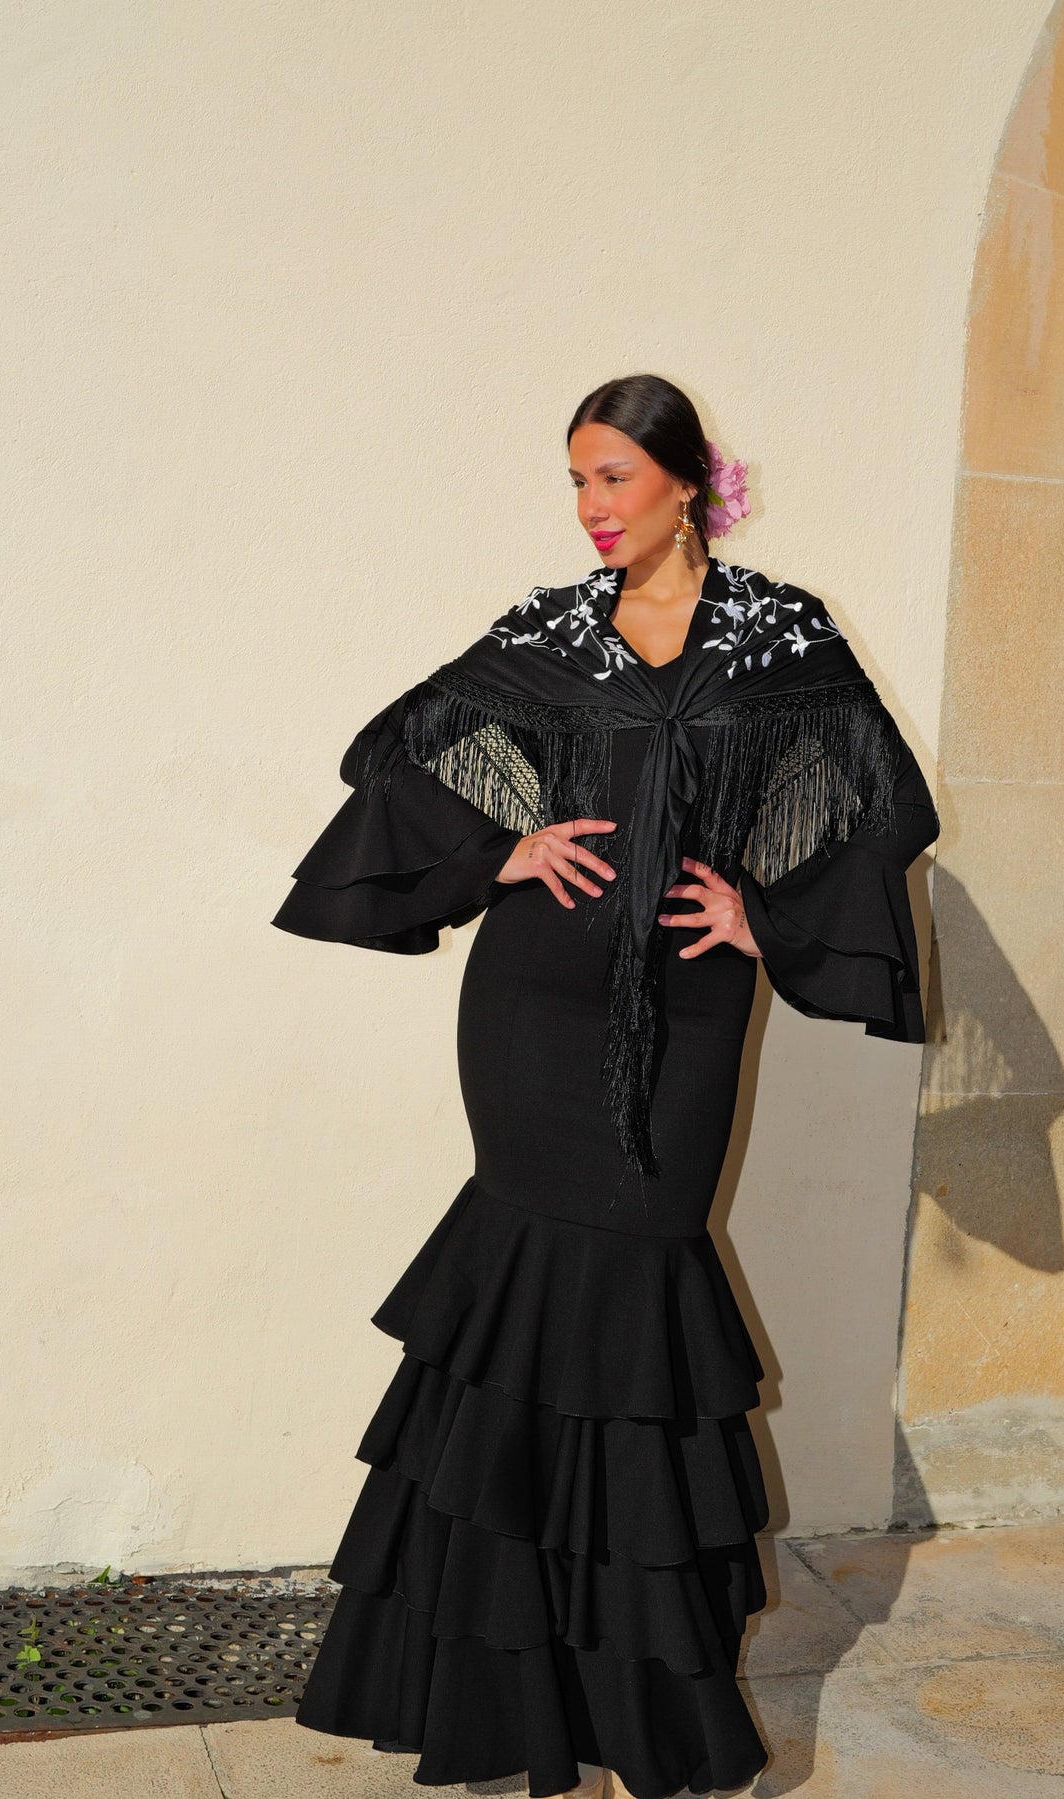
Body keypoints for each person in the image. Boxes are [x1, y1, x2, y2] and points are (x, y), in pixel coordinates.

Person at [272, 375, 939, 1798]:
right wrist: (491, 856)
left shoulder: (781, 637)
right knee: (521, 1311)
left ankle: (635, 1698)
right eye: (575, 482)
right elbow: (392, 755)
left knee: (636, 1299)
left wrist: (768, 919)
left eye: (612, 480)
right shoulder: (549, 632)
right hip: (527, 1013)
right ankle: (501, 1695)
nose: (588, 509)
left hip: (690, 1013)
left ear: (688, 482)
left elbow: (883, 806)